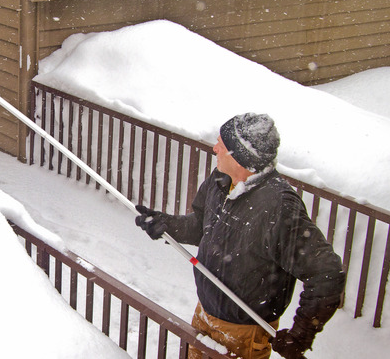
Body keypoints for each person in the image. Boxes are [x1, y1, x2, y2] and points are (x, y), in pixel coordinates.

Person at [134, 113, 345, 359]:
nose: (214, 149)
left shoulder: (278, 207)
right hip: (205, 312)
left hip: (244, 334)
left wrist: (301, 334)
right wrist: (166, 224)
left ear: (240, 156)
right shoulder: (220, 181)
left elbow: (326, 274)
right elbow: (203, 226)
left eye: (221, 145)